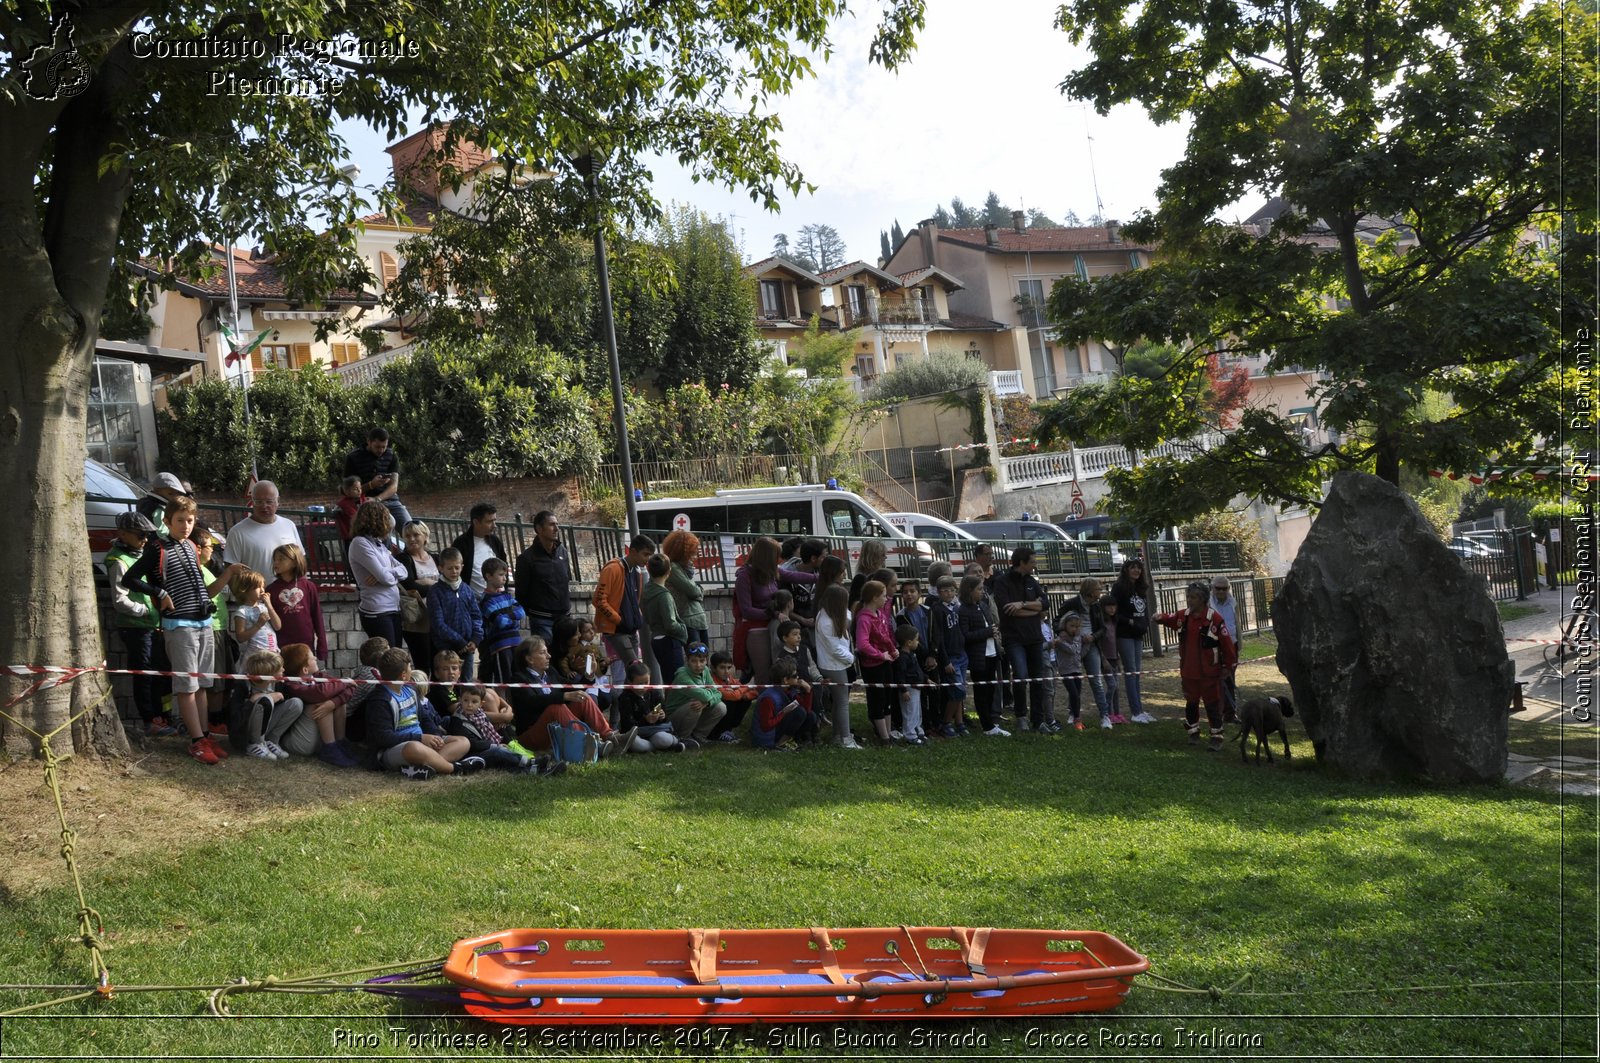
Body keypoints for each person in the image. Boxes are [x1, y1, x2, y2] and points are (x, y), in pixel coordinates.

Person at [120, 495, 247, 764]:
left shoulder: (191, 546)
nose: (186, 525)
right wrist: (159, 593)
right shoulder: (157, 548)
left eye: (190, 520)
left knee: (201, 684)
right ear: (167, 521)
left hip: (203, 623)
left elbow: (203, 588)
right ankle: (195, 741)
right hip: (179, 625)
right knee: (187, 686)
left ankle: (204, 736)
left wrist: (227, 574)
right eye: (180, 521)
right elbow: (129, 578)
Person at [364, 647, 482, 780]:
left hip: (422, 741)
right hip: (395, 749)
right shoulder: (380, 700)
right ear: (403, 675)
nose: (411, 670)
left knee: (462, 741)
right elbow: (383, 738)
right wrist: (420, 739)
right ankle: (456, 768)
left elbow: (425, 718)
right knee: (414, 748)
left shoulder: (410, 690)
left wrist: (435, 736)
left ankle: (427, 765)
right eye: (410, 667)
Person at [105, 511, 172, 736]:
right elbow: (119, 599)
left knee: (160, 671)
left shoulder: (141, 553)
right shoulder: (118, 560)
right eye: (140, 535)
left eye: (148, 535)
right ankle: (148, 720)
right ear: (122, 534)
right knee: (143, 673)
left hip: (153, 624)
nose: (145, 539)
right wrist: (144, 611)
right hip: (134, 625)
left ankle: (163, 716)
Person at [1155, 581, 1238, 751]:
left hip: (1209, 672)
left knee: (1212, 704)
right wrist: (1159, 618)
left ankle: (1216, 736)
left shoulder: (1214, 619)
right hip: (1189, 671)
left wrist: (1228, 667)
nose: (1189, 601)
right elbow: (1170, 619)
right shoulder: (1183, 616)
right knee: (1191, 703)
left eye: (1193, 598)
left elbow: (1227, 645)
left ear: (1202, 600)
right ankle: (1193, 731)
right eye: (1188, 597)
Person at [734, 537, 818, 685]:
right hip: (756, 630)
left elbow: (794, 576)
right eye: (775, 556)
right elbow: (746, 610)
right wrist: (773, 613)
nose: (778, 560)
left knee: (779, 669)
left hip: (774, 626)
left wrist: (818, 578)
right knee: (764, 674)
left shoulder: (772, 571)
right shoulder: (744, 576)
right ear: (766, 556)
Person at [992, 546, 1049, 734]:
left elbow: (1045, 605)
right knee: (1021, 676)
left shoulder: (1032, 581)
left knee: (1038, 679)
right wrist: (1034, 610)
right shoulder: (1002, 582)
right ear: (1022, 562)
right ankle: (1021, 716)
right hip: (1014, 638)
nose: (1034, 565)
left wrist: (1023, 605)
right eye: (1032, 562)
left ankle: (1038, 719)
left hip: (1034, 637)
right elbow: (1007, 610)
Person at [278, 642, 361, 765]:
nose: (316, 658)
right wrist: (344, 683)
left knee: (339, 702)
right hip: (299, 743)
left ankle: (339, 743)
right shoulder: (292, 686)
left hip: (316, 738)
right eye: (312, 658)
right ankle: (330, 749)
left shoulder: (317, 676)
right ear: (305, 669)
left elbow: (351, 688)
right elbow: (320, 693)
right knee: (320, 702)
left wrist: (334, 702)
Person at [593, 534, 656, 687]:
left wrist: (637, 618)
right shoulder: (613, 568)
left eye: (650, 555)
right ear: (633, 551)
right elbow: (598, 600)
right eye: (645, 554)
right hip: (616, 630)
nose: (647, 559)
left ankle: (628, 708)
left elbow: (635, 600)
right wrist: (618, 620)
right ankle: (620, 709)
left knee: (632, 673)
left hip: (631, 629)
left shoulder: (637, 572)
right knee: (635, 670)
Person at [347, 500, 408, 646]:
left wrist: (384, 572)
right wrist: (386, 575)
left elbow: (404, 571)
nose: (390, 527)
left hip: (393, 608)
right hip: (377, 612)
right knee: (388, 660)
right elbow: (386, 579)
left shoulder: (378, 544)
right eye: (385, 520)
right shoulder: (360, 543)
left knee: (396, 656)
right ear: (377, 521)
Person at [1057, 577, 1113, 725]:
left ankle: (1104, 715)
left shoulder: (1096, 606)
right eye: (1098, 589)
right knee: (1074, 682)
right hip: (1071, 647)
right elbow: (1057, 621)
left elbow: (1102, 628)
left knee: (1096, 680)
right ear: (1090, 591)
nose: (1100, 591)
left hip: (1091, 646)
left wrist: (1093, 637)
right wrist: (1066, 634)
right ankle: (1073, 713)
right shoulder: (1071, 604)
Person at [813, 584, 861, 749]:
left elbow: (848, 617)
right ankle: (846, 739)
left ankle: (837, 735)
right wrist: (851, 659)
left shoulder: (830, 614)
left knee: (838, 702)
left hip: (836, 664)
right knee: (842, 702)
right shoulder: (826, 621)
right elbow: (835, 649)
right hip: (834, 665)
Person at [958, 574, 1006, 736]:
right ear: (969, 590)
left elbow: (991, 624)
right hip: (979, 656)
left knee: (991, 689)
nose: (982, 592)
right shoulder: (963, 610)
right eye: (979, 589)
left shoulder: (983, 605)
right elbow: (965, 635)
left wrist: (995, 632)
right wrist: (987, 632)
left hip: (992, 652)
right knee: (982, 691)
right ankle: (987, 726)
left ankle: (992, 722)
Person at [225, 480, 301, 582]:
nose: (264, 506)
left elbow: (300, 560)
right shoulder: (237, 532)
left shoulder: (289, 525)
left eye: (269, 501)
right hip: (256, 596)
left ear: (277, 501)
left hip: (289, 595)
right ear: (252, 501)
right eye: (258, 502)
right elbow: (231, 570)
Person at [853, 579, 898, 744]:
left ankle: (887, 733)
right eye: (884, 596)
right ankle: (884, 737)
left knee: (887, 698)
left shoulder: (880, 614)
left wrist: (893, 649)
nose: (886, 599)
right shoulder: (864, 618)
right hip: (873, 665)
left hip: (886, 661)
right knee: (877, 700)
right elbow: (862, 644)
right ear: (874, 597)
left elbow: (885, 636)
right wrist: (880, 655)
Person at [514, 510, 572, 640]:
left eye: (557, 524)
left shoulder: (562, 552)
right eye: (551, 525)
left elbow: (565, 580)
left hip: (565, 617)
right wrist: (536, 612)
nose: (556, 528)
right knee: (545, 658)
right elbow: (522, 592)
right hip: (542, 620)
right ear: (539, 529)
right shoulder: (527, 558)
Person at [1110, 557, 1155, 724]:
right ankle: (1135, 711)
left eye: (1139, 568)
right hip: (1125, 634)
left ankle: (1140, 710)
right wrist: (1129, 621)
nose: (1136, 570)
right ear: (1126, 570)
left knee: (1136, 672)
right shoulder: (1120, 587)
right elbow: (1113, 610)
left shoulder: (1141, 588)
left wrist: (1144, 623)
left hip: (1138, 633)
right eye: (1133, 567)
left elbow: (1142, 609)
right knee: (1130, 671)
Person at [267, 543, 328, 663]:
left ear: (295, 562)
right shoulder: (270, 590)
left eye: (281, 559)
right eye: (274, 559)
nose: (276, 563)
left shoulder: (308, 586)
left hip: (306, 643)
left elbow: (317, 617)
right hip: (281, 644)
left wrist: (322, 644)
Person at [430, 546, 483, 681]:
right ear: (441, 568)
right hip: (446, 647)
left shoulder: (466, 589)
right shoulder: (435, 591)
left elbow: (476, 615)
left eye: (457, 567)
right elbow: (438, 623)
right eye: (449, 568)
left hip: (468, 647)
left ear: (462, 566)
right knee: (447, 684)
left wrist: (475, 638)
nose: (454, 571)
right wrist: (459, 641)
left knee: (466, 681)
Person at [237, 648, 300, 760]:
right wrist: (252, 702)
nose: (284, 670)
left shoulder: (278, 684)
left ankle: (271, 741)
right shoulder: (243, 685)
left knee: (296, 703)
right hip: (247, 728)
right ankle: (255, 744)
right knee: (265, 701)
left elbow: (282, 700)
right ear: (270, 673)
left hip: (267, 725)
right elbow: (236, 717)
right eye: (280, 668)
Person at [344, 427, 410, 531]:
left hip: (390, 500)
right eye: (377, 447)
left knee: (410, 527)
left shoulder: (391, 455)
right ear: (369, 442)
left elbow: (394, 487)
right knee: (384, 528)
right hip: (367, 503)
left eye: (384, 447)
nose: (381, 450)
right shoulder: (353, 458)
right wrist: (371, 485)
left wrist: (378, 498)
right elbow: (347, 491)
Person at [616, 659, 688, 752]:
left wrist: (662, 715)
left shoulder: (655, 693)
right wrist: (645, 720)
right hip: (638, 734)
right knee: (635, 743)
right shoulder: (625, 698)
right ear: (630, 682)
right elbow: (627, 725)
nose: (644, 687)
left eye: (646, 682)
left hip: (655, 731)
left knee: (663, 739)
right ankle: (661, 748)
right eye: (640, 684)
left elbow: (664, 714)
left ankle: (672, 743)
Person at [929, 575, 969, 738]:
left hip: (961, 653)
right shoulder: (938, 609)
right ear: (938, 593)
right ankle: (946, 723)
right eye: (945, 591)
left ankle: (959, 723)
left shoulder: (958, 607)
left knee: (961, 691)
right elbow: (939, 637)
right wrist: (944, 660)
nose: (949, 594)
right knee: (956, 691)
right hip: (949, 656)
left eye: (951, 590)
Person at [396, 520, 439, 670]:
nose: (412, 539)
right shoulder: (403, 559)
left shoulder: (436, 558)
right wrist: (437, 586)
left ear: (425, 536)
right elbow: (410, 587)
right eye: (408, 536)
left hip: (438, 617)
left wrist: (426, 582)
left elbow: (449, 583)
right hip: (418, 619)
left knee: (439, 662)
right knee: (423, 663)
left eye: (416, 535)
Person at [664, 642, 726, 745]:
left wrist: (707, 702)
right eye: (694, 661)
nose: (698, 665)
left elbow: (718, 693)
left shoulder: (706, 670)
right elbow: (705, 695)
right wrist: (708, 696)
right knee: (695, 705)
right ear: (687, 661)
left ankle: (698, 736)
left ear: (706, 661)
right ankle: (683, 737)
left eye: (702, 661)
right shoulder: (682, 676)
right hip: (674, 717)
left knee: (721, 707)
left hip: (693, 712)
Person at [751, 658, 818, 751]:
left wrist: (808, 691)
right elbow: (766, 726)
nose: (798, 677)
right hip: (767, 737)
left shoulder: (790, 690)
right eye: (795, 675)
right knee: (799, 712)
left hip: (777, 728)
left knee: (811, 715)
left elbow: (806, 711)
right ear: (786, 680)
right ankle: (780, 743)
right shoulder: (768, 698)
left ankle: (792, 740)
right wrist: (784, 713)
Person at [642, 553, 688, 687]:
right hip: (669, 640)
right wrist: (683, 629)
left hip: (656, 638)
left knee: (668, 680)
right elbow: (670, 624)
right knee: (676, 681)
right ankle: (674, 707)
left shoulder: (647, 591)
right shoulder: (664, 595)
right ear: (668, 571)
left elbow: (645, 616)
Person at [478, 557, 524, 685]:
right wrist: (514, 621)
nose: (504, 578)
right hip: (500, 645)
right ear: (489, 576)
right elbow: (500, 622)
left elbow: (521, 612)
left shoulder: (507, 595)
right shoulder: (486, 600)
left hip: (516, 642)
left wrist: (509, 618)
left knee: (518, 677)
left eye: (505, 575)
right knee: (504, 680)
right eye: (500, 575)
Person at [660, 530, 708, 648]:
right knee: (697, 658)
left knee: (703, 658)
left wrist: (698, 591)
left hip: (699, 619)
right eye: (692, 553)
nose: (695, 557)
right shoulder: (674, 568)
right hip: (689, 620)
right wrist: (699, 592)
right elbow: (692, 590)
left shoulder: (685, 569)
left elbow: (695, 590)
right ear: (683, 552)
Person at [451, 501, 507, 595]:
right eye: (489, 521)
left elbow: (504, 566)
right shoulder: (461, 544)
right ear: (476, 522)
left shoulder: (495, 541)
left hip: (499, 599)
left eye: (494, 520)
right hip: (474, 601)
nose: (494, 526)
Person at [1052, 612, 1095, 730]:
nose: (1075, 629)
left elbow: (1079, 652)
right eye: (1072, 626)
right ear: (1065, 625)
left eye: (1077, 626)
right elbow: (1071, 650)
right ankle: (1076, 719)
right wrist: (1061, 642)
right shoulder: (1060, 638)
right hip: (1065, 671)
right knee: (1074, 693)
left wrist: (1087, 643)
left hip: (1077, 669)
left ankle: (1075, 717)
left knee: (1077, 695)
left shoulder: (1078, 638)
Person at [707, 650, 759, 742]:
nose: (726, 671)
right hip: (712, 719)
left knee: (745, 700)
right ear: (713, 668)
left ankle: (728, 730)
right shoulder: (711, 680)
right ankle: (718, 733)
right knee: (729, 701)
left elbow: (754, 692)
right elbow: (733, 696)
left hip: (725, 713)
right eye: (722, 668)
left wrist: (744, 695)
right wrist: (744, 688)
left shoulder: (729, 678)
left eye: (729, 667)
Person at [1208, 576, 1240, 723]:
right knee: (1215, 680)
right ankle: (1217, 713)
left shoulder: (1232, 603)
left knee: (1230, 679)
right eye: (1218, 588)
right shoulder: (1207, 604)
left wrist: (1239, 642)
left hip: (1231, 644)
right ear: (1212, 588)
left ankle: (1230, 713)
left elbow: (1236, 623)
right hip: (1214, 645)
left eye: (1224, 588)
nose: (1221, 591)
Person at [228, 569, 281, 657]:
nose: (262, 590)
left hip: (272, 651)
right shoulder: (242, 611)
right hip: (256, 656)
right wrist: (258, 625)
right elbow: (240, 637)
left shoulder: (264, 607)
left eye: (263, 586)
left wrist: (269, 605)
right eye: (258, 587)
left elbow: (278, 626)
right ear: (245, 589)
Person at [893, 623, 928, 745]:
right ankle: (910, 735)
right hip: (909, 689)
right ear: (908, 642)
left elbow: (917, 670)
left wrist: (926, 679)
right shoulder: (903, 658)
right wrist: (903, 690)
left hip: (916, 688)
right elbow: (900, 676)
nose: (918, 642)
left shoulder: (912, 655)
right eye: (916, 640)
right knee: (910, 712)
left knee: (917, 711)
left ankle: (918, 730)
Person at [848, 539, 890, 611]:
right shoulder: (860, 578)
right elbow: (854, 605)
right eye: (882, 555)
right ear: (873, 557)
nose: (885, 558)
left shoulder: (880, 575)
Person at [334, 475, 365, 544]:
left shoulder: (362, 499)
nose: (359, 490)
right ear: (347, 491)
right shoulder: (343, 503)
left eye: (360, 488)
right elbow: (355, 516)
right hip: (350, 536)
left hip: (361, 534)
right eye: (355, 489)